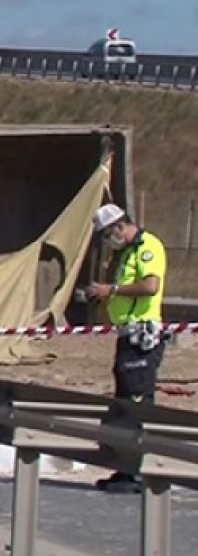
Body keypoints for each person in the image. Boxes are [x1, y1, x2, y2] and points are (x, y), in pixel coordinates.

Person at [84, 203, 167, 494]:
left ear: (120, 226)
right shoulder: (127, 253)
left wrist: (112, 291)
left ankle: (140, 471)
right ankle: (125, 467)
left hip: (141, 337)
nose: (109, 242)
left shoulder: (148, 246)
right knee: (123, 404)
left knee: (137, 402)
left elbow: (150, 286)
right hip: (126, 336)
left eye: (108, 235)